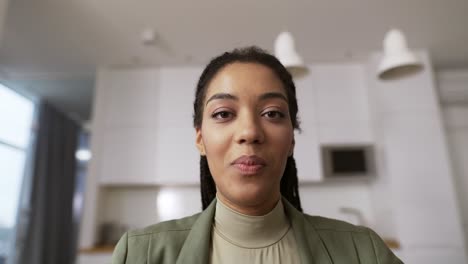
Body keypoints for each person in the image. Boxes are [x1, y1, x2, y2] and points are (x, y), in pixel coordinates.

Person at [112, 47, 403, 264]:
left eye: (272, 113)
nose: (249, 132)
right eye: (224, 113)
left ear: (291, 140)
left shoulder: (364, 253)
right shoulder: (140, 255)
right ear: (200, 138)